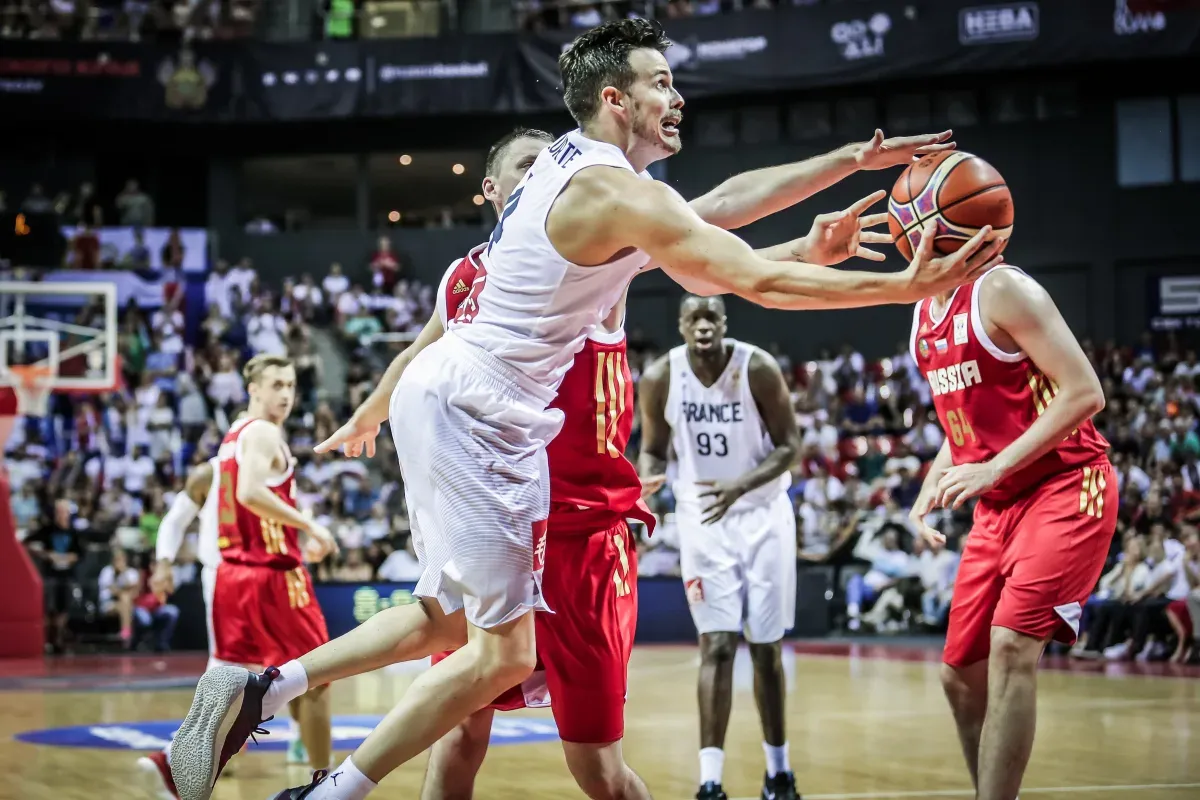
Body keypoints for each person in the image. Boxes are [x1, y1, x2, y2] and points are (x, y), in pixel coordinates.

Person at [171, 20, 1003, 800]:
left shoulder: (584, 176)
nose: (678, 99)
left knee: (452, 629)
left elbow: (717, 212)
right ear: (617, 99)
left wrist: (850, 160)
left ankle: (269, 686)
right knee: (499, 658)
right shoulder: (608, 192)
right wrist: (903, 286)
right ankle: (324, 783)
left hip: (458, 403)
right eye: (662, 83)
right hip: (484, 417)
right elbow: (750, 278)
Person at [906, 252, 1115, 800]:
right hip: (997, 506)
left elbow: (1086, 392)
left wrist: (995, 466)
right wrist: (932, 482)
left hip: (1067, 484)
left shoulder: (1002, 289)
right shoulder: (924, 311)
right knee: (959, 676)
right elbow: (966, 426)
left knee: (1010, 648)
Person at [638, 295, 802, 800]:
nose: (704, 325)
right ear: (682, 325)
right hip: (702, 519)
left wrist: (740, 486)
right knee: (717, 644)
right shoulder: (661, 377)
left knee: (767, 647)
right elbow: (651, 447)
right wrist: (647, 480)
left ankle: (779, 773)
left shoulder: (757, 368)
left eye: (712, 317)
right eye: (694, 318)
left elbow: (791, 446)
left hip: (763, 514)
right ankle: (710, 782)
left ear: (725, 324)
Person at [167, 355, 338, 800]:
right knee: (317, 679)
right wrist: (309, 526)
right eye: (276, 384)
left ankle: (176, 765)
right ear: (253, 389)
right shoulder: (263, 432)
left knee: (238, 677)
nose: (285, 394)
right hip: (273, 575)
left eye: (291, 385)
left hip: (231, 577)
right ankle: (323, 784)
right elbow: (250, 493)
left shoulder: (232, 437)